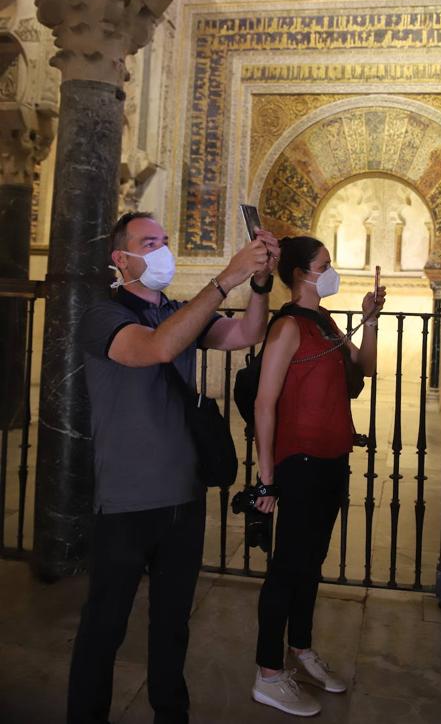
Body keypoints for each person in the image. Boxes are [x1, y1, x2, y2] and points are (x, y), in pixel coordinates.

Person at [67, 210, 279, 724]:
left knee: (172, 624)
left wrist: (259, 283)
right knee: (106, 625)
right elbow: (158, 349)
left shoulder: (180, 313)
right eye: (149, 242)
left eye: (165, 240)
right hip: (126, 500)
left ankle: (171, 713)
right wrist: (225, 277)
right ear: (122, 259)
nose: (162, 250)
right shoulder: (103, 316)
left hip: (183, 496)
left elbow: (248, 332)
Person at [251, 236, 385, 717]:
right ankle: (268, 672)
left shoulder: (324, 322)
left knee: (311, 562)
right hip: (301, 460)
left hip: (331, 457)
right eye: (326, 265)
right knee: (288, 566)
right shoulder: (287, 326)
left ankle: (300, 649)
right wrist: (266, 479)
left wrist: (369, 319)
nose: (332, 271)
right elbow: (265, 404)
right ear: (303, 274)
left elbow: (363, 368)